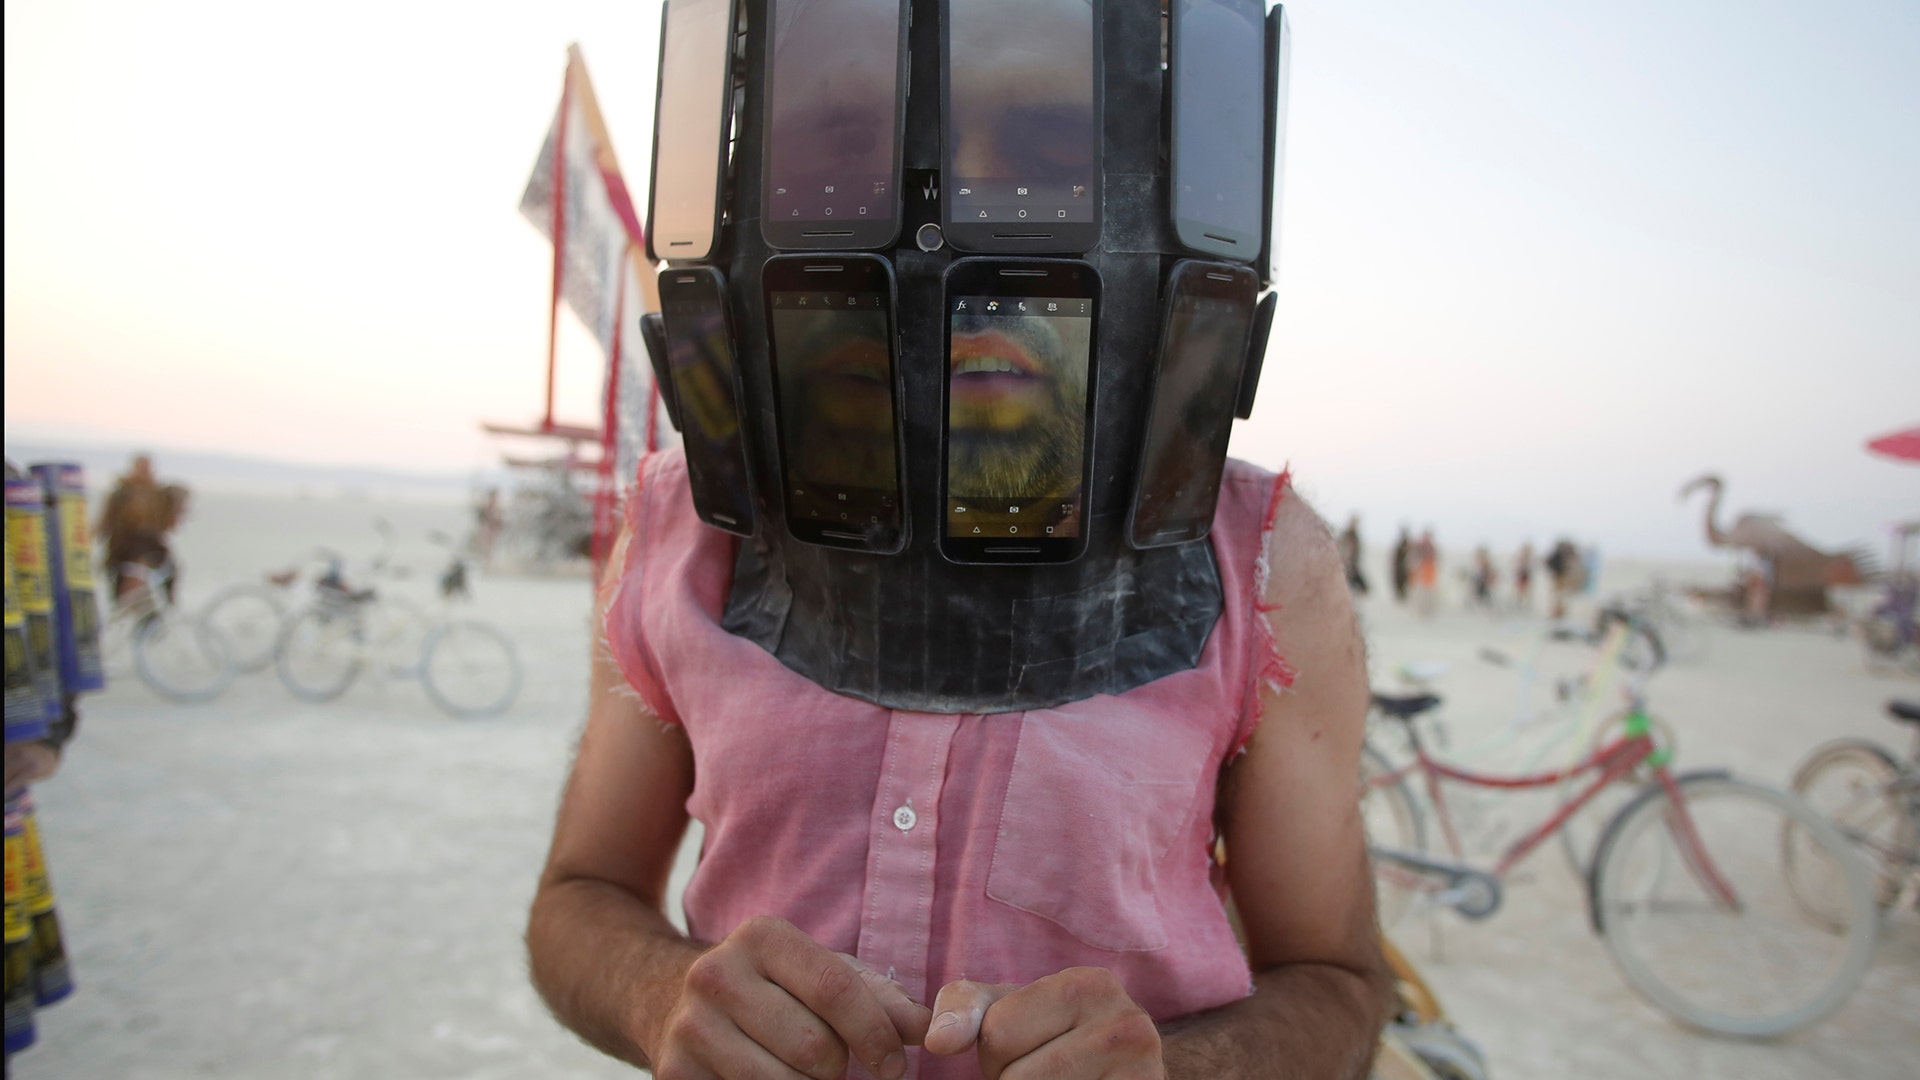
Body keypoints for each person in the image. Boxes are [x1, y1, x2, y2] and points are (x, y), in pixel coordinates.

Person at [526, 7, 1391, 1077]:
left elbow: (1342, 982)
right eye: (849, 151)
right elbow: (578, 899)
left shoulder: (1257, 556)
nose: (955, 237)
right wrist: (660, 997)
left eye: (1042, 155)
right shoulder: (684, 522)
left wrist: (1182, 1068)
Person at [95, 455, 182, 603]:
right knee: (127, 588)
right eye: (141, 468)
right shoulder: (121, 494)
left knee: (167, 574)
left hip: (151, 545)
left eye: (147, 468)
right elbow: (104, 523)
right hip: (125, 547)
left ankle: (164, 609)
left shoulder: (159, 494)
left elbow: (170, 523)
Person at [1337, 514, 1369, 595]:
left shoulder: (1355, 536)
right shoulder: (1347, 535)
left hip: (1353, 565)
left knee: (1362, 588)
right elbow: (1343, 548)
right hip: (1347, 565)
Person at [1391, 526, 1411, 604]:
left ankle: (1402, 598)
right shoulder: (1401, 544)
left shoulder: (1406, 543)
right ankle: (1400, 598)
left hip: (1403, 568)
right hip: (1400, 568)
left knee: (1403, 584)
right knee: (1399, 584)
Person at [1512, 542, 1534, 611]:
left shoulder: (1530, 558)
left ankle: (1525, 603)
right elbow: (1517, 567)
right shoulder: (1520, 557)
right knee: (1519, 591)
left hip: (1526, 576)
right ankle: (1519, 603)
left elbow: (1530, 568)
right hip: (1520, 576)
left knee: (1525, 591)